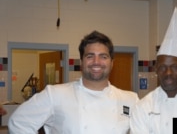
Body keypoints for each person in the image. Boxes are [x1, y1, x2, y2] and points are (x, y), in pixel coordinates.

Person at [8, 30, 139, 134]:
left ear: (112, 63)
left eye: (103, 56)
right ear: (81, 62)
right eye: (90, 56)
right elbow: (19, 122)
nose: (96, 62)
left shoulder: (130, 99)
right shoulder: (55, 95)